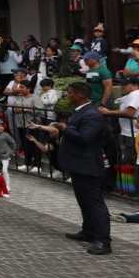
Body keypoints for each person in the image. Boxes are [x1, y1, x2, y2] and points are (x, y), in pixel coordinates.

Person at [39, 82, 112, 255]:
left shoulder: (92, 115)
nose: (67, 95)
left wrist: (65, 128)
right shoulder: (81, 111)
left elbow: (85, 138)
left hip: (88, 165)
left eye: (70, 92)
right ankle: (88, 231)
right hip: (78, 165)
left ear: (80, 94)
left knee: (94, 203)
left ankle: (103, 240)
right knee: (83, 201)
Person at [99, 75, 139, 165]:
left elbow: (129, 113)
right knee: (131, 160)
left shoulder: (136, 95)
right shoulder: (131, 95)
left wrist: (108, 112)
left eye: (125, 84)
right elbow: (117, 101)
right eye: (122, 84)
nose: (122, 86)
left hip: (134, 134)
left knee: (131, 161)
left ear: (134, 85)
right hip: (130, 133)